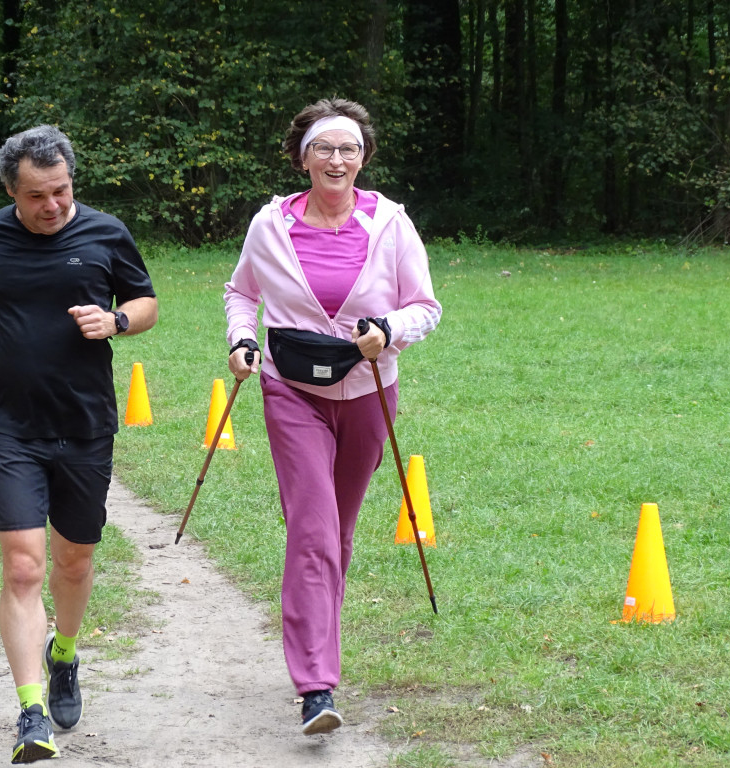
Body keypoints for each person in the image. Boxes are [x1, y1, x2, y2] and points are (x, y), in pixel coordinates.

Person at [223, 98, 442, 736]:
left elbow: (424, 307)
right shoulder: (270, 226)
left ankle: (321, 645)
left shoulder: (392, 225)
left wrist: (389, 330)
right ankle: (316, 686)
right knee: (313, 531)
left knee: (339, 536)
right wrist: (242, 340)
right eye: (325, 148)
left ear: (363, 158)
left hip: (370, 390)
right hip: (290, 391)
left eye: (349, 149)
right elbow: (243, 292)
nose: (337, 159)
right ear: (303, 157)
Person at [0, 124, 158, 763]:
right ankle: (31, 712)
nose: (53, 206)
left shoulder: (105, 232)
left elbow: (145, 302)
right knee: (23, 564)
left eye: (61, 191)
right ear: (11, 190)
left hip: (87, 423)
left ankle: (64, 653)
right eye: (37, 195)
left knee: (75, 562)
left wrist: (115, 320)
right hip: (12, 424)